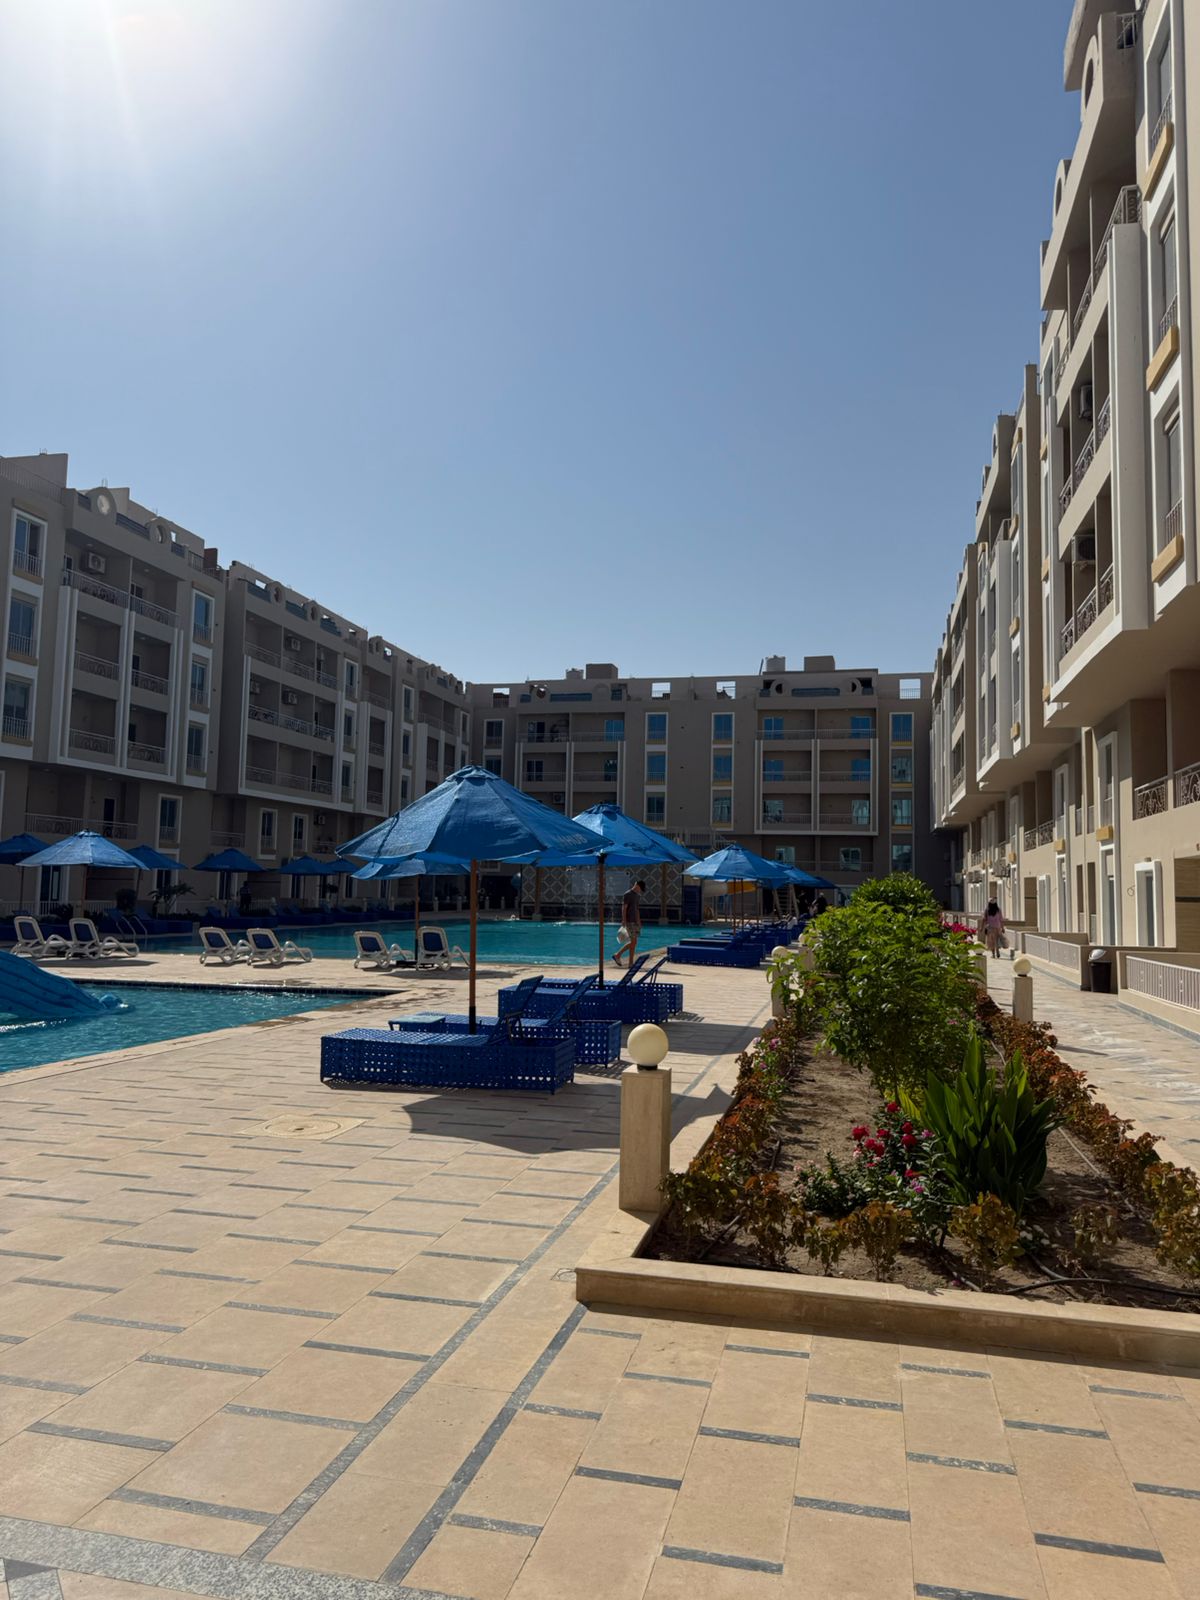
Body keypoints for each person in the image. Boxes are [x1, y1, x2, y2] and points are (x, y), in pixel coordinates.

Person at [613, 878, 647, 967]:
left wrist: (639, 921)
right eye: (640, 889)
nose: (640, 891)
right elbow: (624, 908)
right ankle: (619, 955)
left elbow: (637, 909)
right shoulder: (627, 894)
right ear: (637, 885)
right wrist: (624, 920)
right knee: (633, 942)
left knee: (634, 943)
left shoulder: (637, 896)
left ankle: (629, 962)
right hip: (629, 921)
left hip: (635, 921)